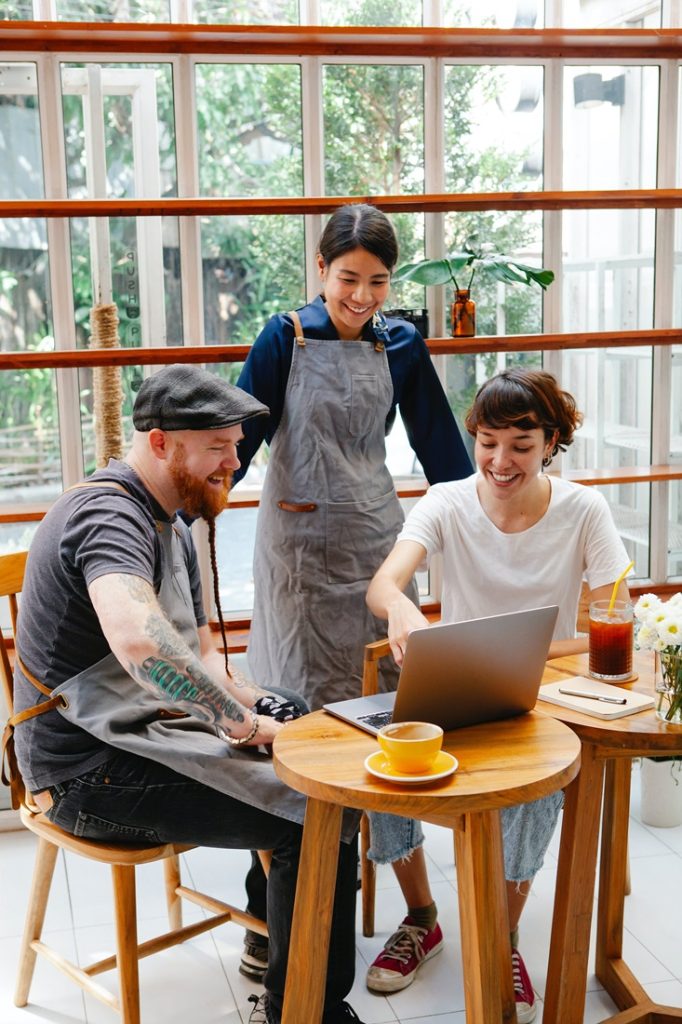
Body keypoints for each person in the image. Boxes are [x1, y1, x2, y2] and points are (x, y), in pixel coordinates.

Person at [11, 365, 365, 1024]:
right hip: (85, 773)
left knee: (299, 718)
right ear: (160, 443)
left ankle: (272, 937)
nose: (234, 462)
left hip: (135, 729)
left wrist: (258, 706)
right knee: (317, 807)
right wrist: (240, 725)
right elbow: (141, 643)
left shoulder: (171, 520)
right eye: (217, 447)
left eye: (236, 445)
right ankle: (304, 1012)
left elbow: (201, 651)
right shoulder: (108, 515)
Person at [233, 202, 472, 980]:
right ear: (320, 268)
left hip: (374, 552)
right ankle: (269, 906)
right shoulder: (282, 338)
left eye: (377, 282)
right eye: (347, 279)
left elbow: (445, 457)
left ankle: (411, 907)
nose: (362, 296)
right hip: (296, 561)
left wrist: (492, 527)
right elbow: (235, 447)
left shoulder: (401, 344)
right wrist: (170, 511)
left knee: (383, 721)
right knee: (289, 723)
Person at [364, 367, 631, 1022]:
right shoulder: (447, 501)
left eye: (520, 444)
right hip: (453, 694)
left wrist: (548, 657)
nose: (500, 461)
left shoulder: (582, 510)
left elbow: (614, 615)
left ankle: (501, 932)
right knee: (380, 758)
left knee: (535, 790)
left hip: (541, 700)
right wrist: (401, 609)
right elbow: (383, 585)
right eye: (488, 443)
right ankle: (421, 918)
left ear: (551, 443)